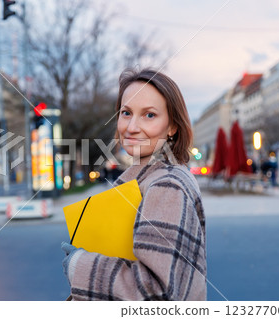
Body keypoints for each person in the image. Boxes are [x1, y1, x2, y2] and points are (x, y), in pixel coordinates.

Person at [61, 68, 207, 301]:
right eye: (126, 112)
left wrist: (79, 264)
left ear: (172, 127)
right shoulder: (157, 178)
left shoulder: (166, 186)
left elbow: (158, 296)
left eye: (149, 115)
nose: (131, 127)